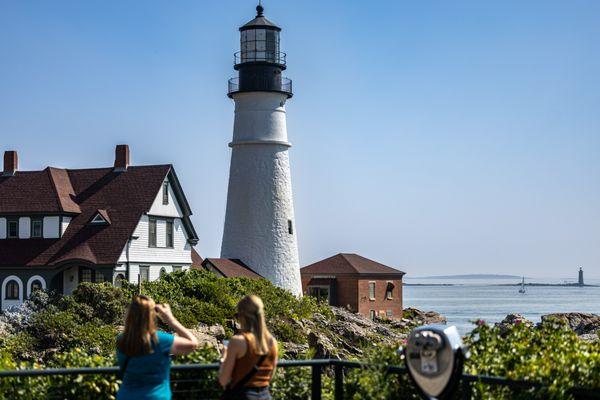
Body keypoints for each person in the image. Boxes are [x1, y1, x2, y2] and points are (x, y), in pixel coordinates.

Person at [116, 295, 198, 400]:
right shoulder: (160, 340)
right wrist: (170, 319)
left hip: (126, 396)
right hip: (155, 396)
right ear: (151, 316)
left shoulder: (121, 340)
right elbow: (193, 343)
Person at [218, 295, 278, 400]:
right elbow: (270, 376)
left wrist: (223, 359)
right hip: (265, 395)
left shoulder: (238, 341)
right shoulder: (272, 342)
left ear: (243, 316)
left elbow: (223, 380)